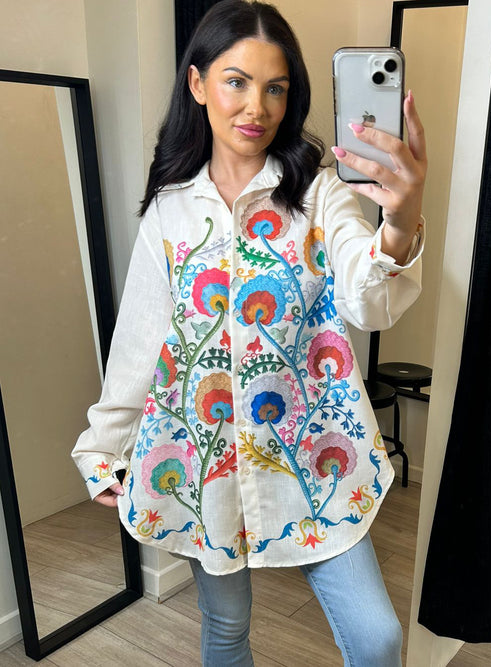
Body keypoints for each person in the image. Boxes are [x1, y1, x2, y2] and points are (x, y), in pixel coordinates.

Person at [72, 1, 426, 664]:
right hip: (206, 464)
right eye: (236, 81)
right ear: (198, 83)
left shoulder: (319, 194)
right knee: (226, 629)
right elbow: (141, 339)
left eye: (275, 88)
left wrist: (401, 222)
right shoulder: (170, 211)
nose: (256, 107)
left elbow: (369, 300)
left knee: (376, 637)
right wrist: (102, 446)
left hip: (315, 457)